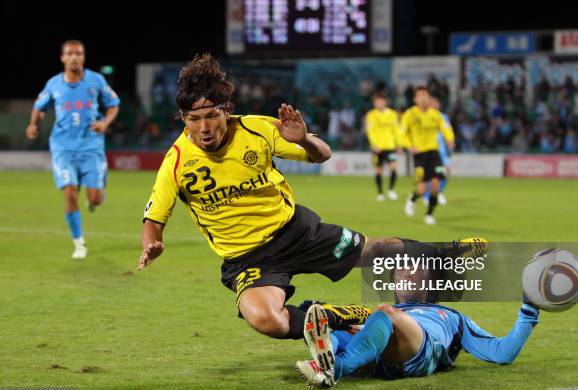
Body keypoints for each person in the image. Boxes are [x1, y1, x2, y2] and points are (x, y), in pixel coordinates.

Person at [137, 54, 485, 342]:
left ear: (226, 109)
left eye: (211, 115)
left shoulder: (257, 129)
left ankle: (442, 253)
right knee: (265, 320)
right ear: (182, 118)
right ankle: (337, 318)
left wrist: (303, 140)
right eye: (193, 119)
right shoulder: (177, 162)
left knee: (378, 253)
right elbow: (154, 218)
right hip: (247, 260)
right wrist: (151, 244)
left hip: (296, 232)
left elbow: (323, 154)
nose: (204, 128)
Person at [297, 296, 539, 388]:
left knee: (383, 314)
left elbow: (502, 352)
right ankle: (325, 356)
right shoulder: (396, 308)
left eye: (414, 272)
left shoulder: (453, 317)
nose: (407, 275)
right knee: (344, 332)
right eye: (401, 272)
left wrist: (530, 307)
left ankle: (335, 367)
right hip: (377, 347)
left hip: (420, 353)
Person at [26, 40, 120, 259]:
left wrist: (105, 124)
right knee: (69, 191)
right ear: (63, 58)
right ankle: (79, 243)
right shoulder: (53, 84)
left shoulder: (96, 80)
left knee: (95, 199)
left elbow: (114, 104)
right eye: (70, 53)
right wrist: (33, 125)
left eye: (78, 53)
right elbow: (39, 108)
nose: (74, 57)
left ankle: (96, 191)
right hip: (62, 147)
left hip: (91, 145)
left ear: (83, 57)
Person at [400, 87, 454, 225]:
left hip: (434, 153)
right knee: (422, 188)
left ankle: (429, 214)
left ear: (429, 98)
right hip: (419, 155)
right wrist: (409, 146)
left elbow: (446, 128)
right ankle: (412, 198)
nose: (423, 98)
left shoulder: (435, 114)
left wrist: (450, 138)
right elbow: (402, 133)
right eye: (420, 96)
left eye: (425, 95)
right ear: (415, 99)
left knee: (436, 186)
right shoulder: (410, 114)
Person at [364, 92, 401, 201]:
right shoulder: (371, 115)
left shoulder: (393, 114)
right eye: (377, 102)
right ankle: (380, 193)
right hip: (378, 148)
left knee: (394, 168)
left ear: (385, 102)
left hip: (390, 146)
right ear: (374, 103)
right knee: (378, 170)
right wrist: (374, 144)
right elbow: (370, 131)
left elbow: (397, 130)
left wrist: (399, 144)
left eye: (381, 101)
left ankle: (391, 190)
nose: (379, 103)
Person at [423, 97, 452, 206]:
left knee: (446, 172)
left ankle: (439, 192)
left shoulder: (444, 117)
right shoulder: (425, 116)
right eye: (433, 103)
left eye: (436, 102)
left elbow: (448, 130)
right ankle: (426, 196)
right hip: (429, 149)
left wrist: (450, 140)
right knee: (430, 175)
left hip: (442, 150)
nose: (435, 104)